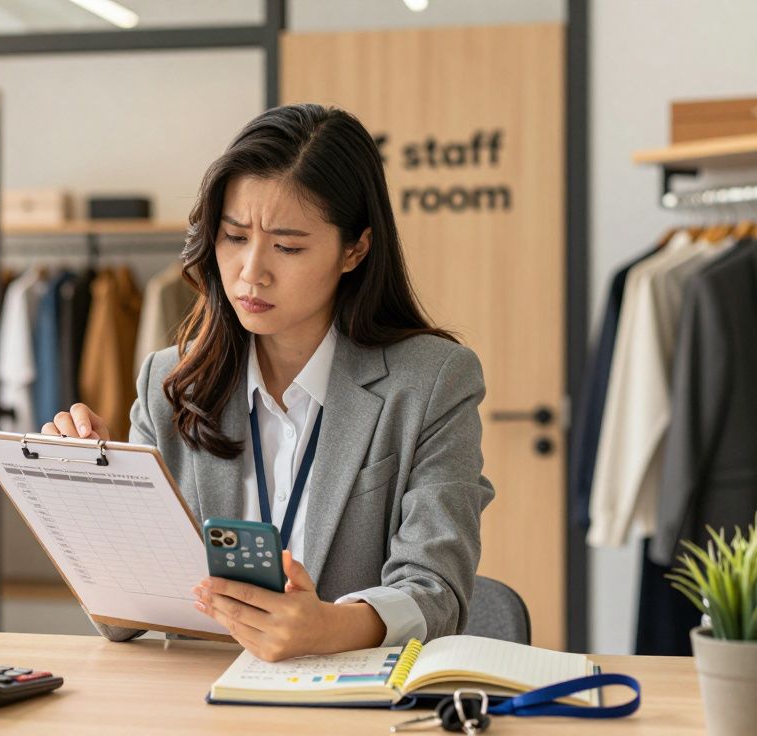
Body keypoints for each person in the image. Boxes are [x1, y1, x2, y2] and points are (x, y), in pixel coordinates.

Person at [42, 104, 494, 662]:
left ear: (355, 249)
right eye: (233, 237)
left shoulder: (432, 382)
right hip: (196, 700)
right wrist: (98, 496)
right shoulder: (170, 381)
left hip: (350, 699)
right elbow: (123, 623)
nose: (251, 272)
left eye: (288, 246)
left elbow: (436, 590)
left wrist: (330, 627)